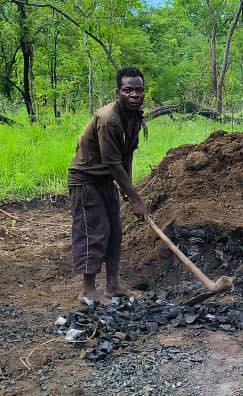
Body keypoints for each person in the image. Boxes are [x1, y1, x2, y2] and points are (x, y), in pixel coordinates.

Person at [68, 67, 148, 305]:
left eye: (139, 90)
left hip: (105, 178)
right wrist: (136, 200)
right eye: (128, 90)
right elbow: (113, 163)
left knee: (114, 230)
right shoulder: (108, 119)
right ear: (118, 92)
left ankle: (113, 285)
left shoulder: (134, 117)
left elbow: (127, 157)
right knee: (95, 230)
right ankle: (87, 289)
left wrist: (127, 189)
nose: (134, 95)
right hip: (85, 178)